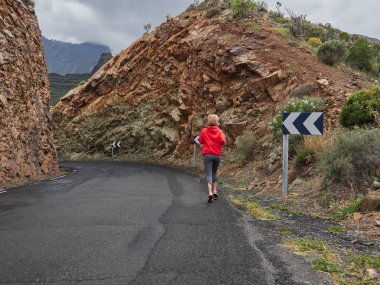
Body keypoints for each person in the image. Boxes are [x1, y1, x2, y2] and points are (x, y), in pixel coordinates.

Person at [198, 114, 226, 203]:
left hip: (207, 155)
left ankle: (210, 193)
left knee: (209, 174)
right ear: (216, 121)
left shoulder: (204, 131)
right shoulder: (220, 131)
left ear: (208, 121)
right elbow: (222, 141)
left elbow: (201, 141)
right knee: (214, 173)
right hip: (217, 155)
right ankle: (215, 191)